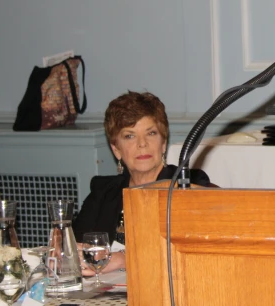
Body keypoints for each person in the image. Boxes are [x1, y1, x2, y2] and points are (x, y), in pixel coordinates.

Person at [73, 91, 212, 275]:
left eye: (151, 133)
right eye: (129, 136)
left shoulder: (188, 184)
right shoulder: (103, 191)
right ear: (116, 150)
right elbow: (76, 247)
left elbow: (192, 252)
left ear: (163, 143)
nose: (142, 144)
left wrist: (123, 258)